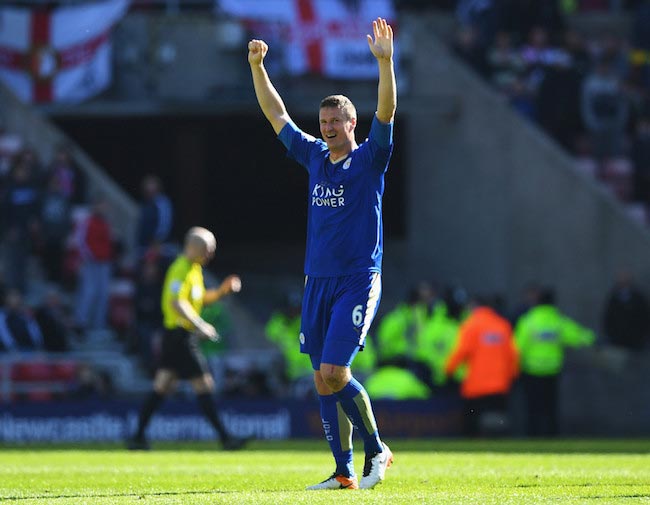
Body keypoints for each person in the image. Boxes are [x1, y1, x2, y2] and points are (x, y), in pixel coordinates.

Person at [248, 17, 396, 491]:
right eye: (326, 122)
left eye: (338, 121)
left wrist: (385, 63)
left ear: (354, 124)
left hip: (357, 277)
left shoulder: (371, 158)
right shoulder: (314, 155)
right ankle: (343, 471)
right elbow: (277, 115)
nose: (330, 127)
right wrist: (258, 67)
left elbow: (387, 111)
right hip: (317, 280)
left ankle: (378, 449)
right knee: (321, 380)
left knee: (336, 371)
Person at [127, 226, 247, 451]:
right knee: (204, 384)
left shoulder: (194, 270)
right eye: (208, 249)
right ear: (194, 248)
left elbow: (199, 299)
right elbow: (177, 302)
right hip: (179, 336)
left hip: (178, 336)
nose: (210, 254)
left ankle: (137, 436)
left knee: (162, 385)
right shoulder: (179, 268)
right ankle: (226, 438)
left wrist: (221, 291)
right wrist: (200, 324)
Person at [514, 287, 595, 436]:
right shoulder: (557, 321)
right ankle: (552, 436)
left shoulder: (528, 321)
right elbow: (577, 335)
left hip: (532, 371)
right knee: (550, 407)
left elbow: (517, 347)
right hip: (552, 371)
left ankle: (533, 436)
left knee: (533, 408)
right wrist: (593, 338)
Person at [445, 296, 519, 437]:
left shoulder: (471, 325)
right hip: (500, 384)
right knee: (497, 419)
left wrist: (448, 370)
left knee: (473, 422)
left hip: (476, 385)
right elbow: (512, 355)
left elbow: (461, 352)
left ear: (473, 307)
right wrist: (512, 376)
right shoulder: (502, 325)